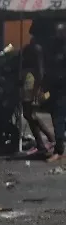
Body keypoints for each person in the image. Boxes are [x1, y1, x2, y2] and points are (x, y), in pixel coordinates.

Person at [23, 25, 55, 156]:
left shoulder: (36, 48)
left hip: (32, 83)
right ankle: (47, 140)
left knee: (29, 114)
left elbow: (40, 71)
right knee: (30, 114)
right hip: (33, 82)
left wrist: (37, 88)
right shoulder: (40, 47)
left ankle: (44, 142)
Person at [47, 23, 66, 163]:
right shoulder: (55, 48)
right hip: (56, 88)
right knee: (57, 118)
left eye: (59, 32)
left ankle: (59, 151)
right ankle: (59, 149)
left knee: (59, 119)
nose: (56, 34)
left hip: (61, 88)